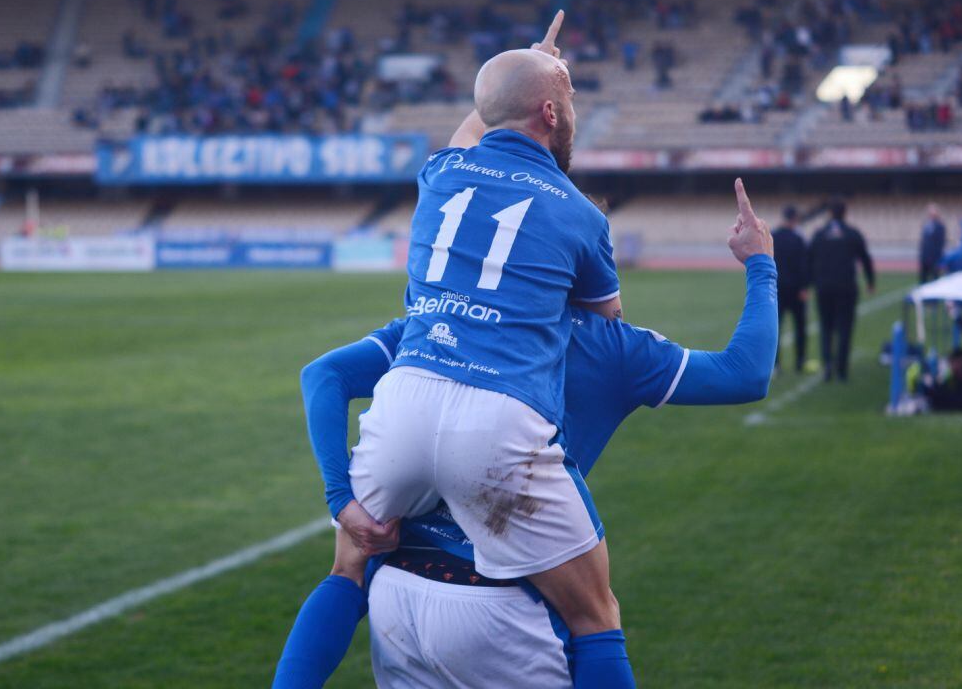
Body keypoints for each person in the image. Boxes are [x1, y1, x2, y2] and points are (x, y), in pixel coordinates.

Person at [273, 180, 777, 688]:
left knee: (346, 568)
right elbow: (746, 372)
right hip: (506, 607)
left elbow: (324, 375)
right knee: (598, 619)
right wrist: (760, 263)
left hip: (394, 598)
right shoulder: (616, 347)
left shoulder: (437, 322)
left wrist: (340, 498)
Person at [340, 11, 635, 686]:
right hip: (497, 419)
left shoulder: (441, 174)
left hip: (405, 398)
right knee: (594, 615)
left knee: (348, 567)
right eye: (569, 99)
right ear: (551, 115)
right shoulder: (582, 215)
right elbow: (603, 334)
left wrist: (533, 63)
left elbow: (475, 125)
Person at [808, 200, 876, 382]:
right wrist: (870, 281)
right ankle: (842, 370)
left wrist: (808, 284)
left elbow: (808, 259)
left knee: (826, 328)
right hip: (846, 287)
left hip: (824, 287)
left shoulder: (819, 234)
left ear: (829, 213)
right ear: (845, 213)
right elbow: (866, 259)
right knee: (845, 328)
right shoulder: (852, 233)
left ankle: (827, 367)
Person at [772, 205, 809, 372]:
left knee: (775, 329)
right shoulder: (798, 238)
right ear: (794, 219)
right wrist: (804, 287)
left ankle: (775, 364)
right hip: (796, 289)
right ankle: (800, 362)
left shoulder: (773, 236)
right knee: (800, 327)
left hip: (776, 289)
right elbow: (804, 265)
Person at [919, 203, 946, 283]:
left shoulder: (940, 226)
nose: (931, 215)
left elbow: (940, 243)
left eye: (933, 213)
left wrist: (938, 257)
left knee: (935, 279)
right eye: (930, 213)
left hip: (934, 257)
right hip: (925, 257)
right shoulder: (926, 225)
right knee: (923, 279)